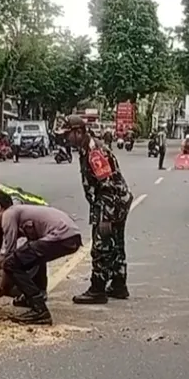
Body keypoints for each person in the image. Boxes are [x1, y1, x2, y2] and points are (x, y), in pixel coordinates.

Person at [61, 114, 133, 304]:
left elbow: (107, 186)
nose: (66, 139)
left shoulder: (94, 151)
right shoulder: (87, 148)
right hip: (117, 201)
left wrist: (105, 218)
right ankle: (118, 284)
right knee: (116, 243)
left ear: (78, 132)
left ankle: (97, 289)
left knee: (101, 244)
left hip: (110, 203)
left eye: (68, 134)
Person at [0, 193, 82, 325]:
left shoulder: (8, 214)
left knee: (11, 263)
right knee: (31, 255)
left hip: (62, 235)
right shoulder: (19, 213)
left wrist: (1, 287)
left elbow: (8, 256)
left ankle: (39, 310)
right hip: (71, 236)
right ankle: (34, 296)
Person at [0, 173, 48, 308]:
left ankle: (37, 290)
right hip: (18, 223)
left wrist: (4, 255)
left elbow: (11, 235)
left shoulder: (12, 201)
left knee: (30, 253)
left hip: (39, 221)